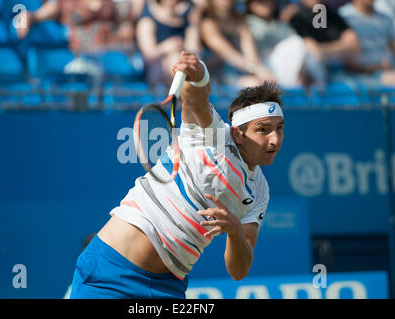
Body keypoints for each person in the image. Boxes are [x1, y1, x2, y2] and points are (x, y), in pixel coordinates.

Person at [69, 51, 285, 299]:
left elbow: (239, 270)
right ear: (237, 133)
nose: (274, 139)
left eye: (279, 128)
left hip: (168, 287)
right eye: (263, 130)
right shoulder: (213, 137)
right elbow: (196, 99)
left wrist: (235, 229)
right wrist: (198, 72)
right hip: (110, 274)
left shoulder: (260, 190)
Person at [16, 0, 134, 54]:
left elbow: (126, 18)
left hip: (112, 53)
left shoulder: (112, 4)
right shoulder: (65, 3)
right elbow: (40, 14)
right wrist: (29, 16)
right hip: (83, 56)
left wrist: (125, 27)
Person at [286, 0, 361, 85]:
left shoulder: (331, 13)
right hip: (313, 82)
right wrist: (342, 47)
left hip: (342, 73)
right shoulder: (296, 17)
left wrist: (324, 49)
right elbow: (315, 53)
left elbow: (355, 47)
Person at [135, 0, 202, 86]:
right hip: (157, 70)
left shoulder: (188, 18)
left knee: (180, 61)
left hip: (183, 67)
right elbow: (148, 54)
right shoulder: (147, 20)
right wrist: (167, 47)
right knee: (173, 60)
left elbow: (194, 50)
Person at [246, 0, 310, 87]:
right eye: (260, 1)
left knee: (299, 44)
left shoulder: (282, 26)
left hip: (282, 73)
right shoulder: (245, 23)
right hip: (258, 70)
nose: (267, 3)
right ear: (250, 3)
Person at [337, 0, 395, 86]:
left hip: (386, 72)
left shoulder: (386, 19)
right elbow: (344, 58)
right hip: (357, 77)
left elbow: (394, 47)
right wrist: (373, 68)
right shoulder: (343, 17)